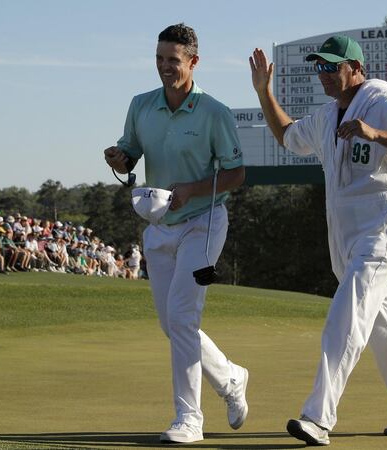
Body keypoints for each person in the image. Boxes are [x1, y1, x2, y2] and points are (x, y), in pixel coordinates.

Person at [250, 36, 387, 446]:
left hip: (382, 229)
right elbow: (288, 135)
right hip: (343, 235)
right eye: (318, 67)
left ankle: (318, 417)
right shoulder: (325, 116)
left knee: (347, 315)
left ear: (355, 68)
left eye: (331, 66)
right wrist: (264, 93)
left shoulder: (383, 101)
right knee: (382, 325)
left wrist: (375, 133)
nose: (323, 74)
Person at [103, 23, 249, 444]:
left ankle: (189, 419)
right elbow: (130, 152)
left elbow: (236, 174)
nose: (165, 67)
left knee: (183, 317)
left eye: (173, 60)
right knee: (172, 324)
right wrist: (118, 158)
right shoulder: (141, 105)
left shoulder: (215, 112)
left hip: (204, 222)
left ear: (193, 62)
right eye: (159, 59)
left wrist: (194, 189)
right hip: (159, 224)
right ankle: (231, 378)